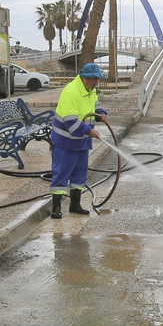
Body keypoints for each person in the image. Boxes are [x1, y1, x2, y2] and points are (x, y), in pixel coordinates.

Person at [50, 62, 107, 219]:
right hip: (65, 141)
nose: (97, 82)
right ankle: (56, 207)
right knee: (61, 172)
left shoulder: (90, 89)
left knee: (79, 174)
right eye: (94, 79)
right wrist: (89, 131)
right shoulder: (71, 92)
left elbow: (94, 103)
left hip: (81, 141)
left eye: (97, 79)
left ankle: (75, 205)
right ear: (85, 78)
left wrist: (100, 112)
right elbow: (69, 121)